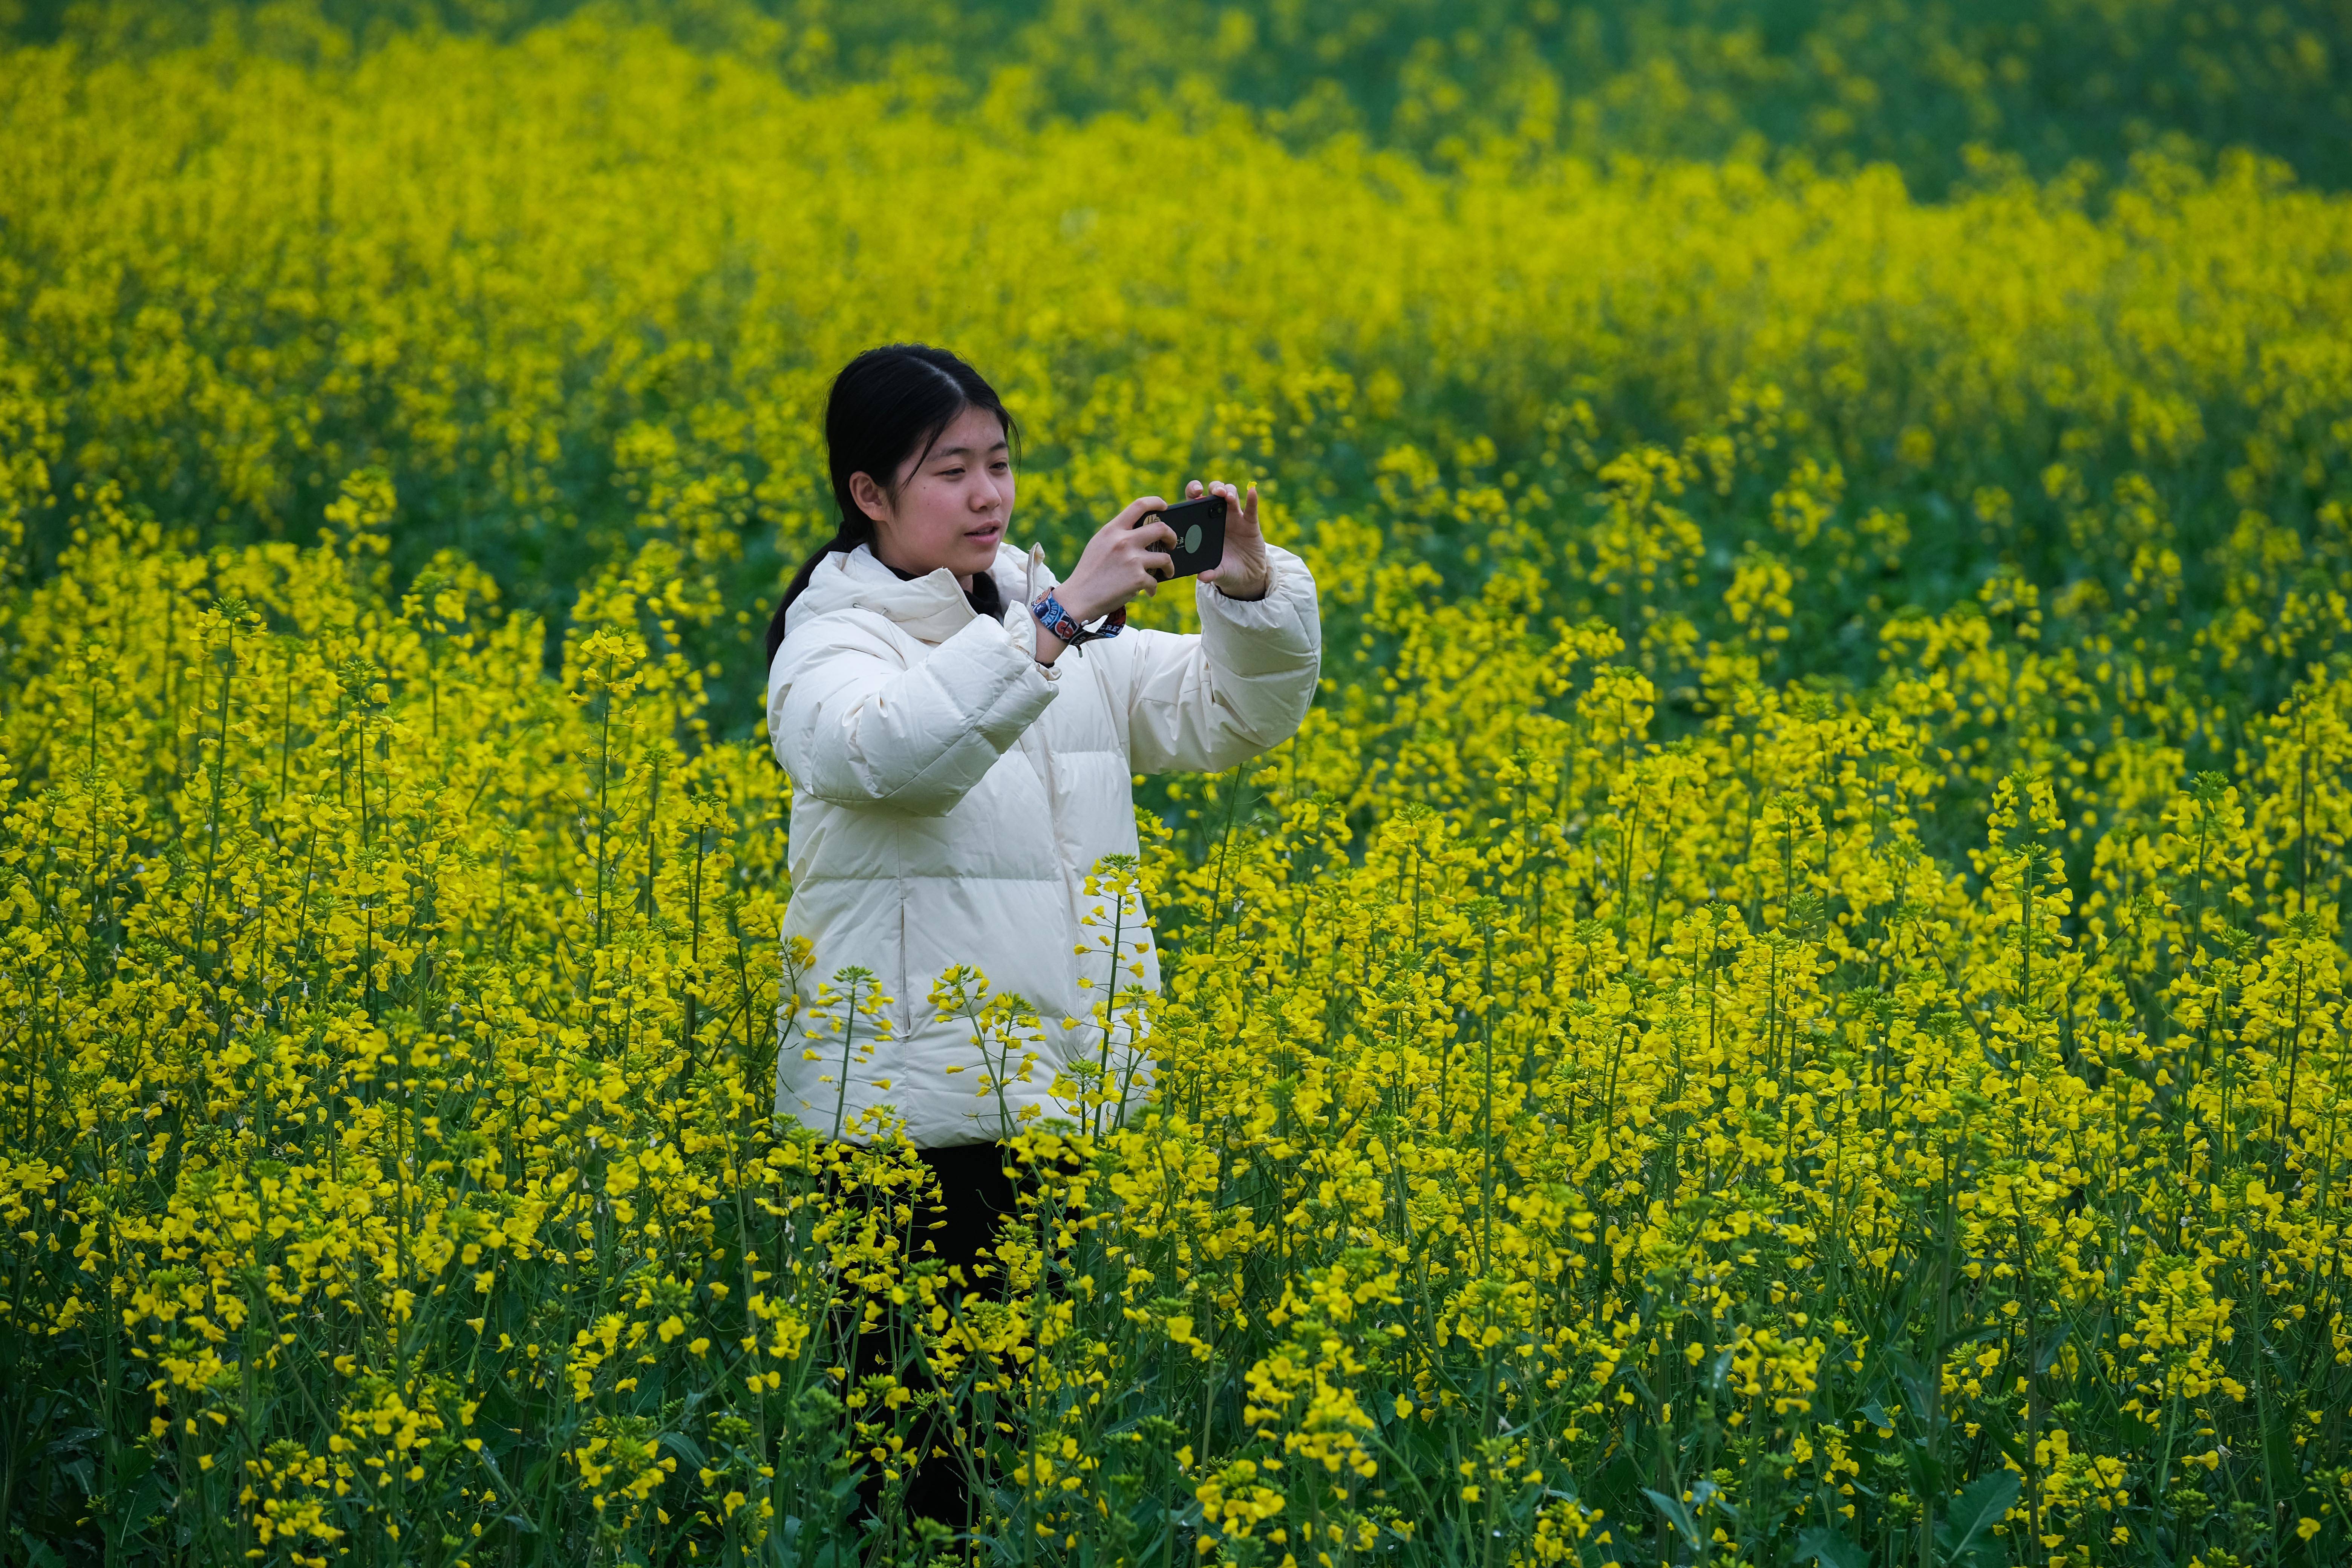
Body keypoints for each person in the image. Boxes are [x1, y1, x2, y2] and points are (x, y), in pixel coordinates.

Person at [761, 343, 1322, 1522]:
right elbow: (884, 756)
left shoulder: (1043, 623)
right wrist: (1058, 616)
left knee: (993, 1442)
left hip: (1037, 1090)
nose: (986, 496)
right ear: (868, 494)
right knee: (915, 1469)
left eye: (1000, 464)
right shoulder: (835, 640)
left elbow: (1232, 715)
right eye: (949, 470)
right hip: (901, 1108)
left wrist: (1250, 595)